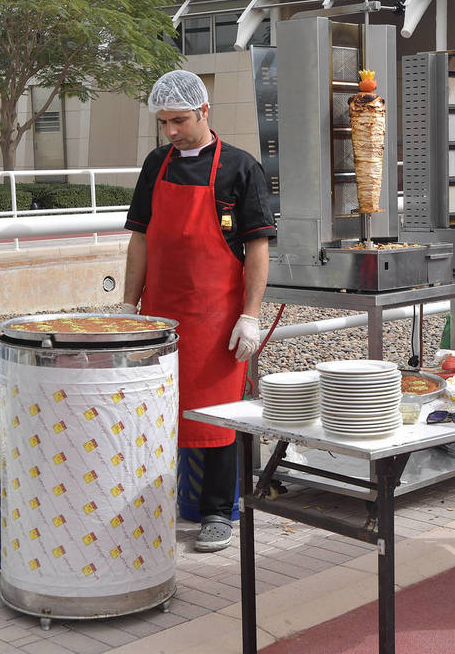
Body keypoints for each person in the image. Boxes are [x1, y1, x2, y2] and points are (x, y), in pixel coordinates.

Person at [121, 70, 275, 552]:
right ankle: (152, 503)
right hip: (161, 314)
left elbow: (257, 249)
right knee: (154, 411)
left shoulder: (240, 167)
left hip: (216, 318)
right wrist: (128, 305)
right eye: (163, 122)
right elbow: (140, 238)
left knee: (218, 413)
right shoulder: (155, 164)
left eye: (179, 120)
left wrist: (249, 315)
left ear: (204, 112)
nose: (170, 131)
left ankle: (215, 512)